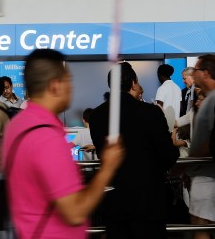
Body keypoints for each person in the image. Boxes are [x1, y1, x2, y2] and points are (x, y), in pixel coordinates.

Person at [2, 48, 124, 239]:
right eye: (69, 81)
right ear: (55, 86)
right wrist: (108, 168)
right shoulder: (47, 137)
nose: (71, 88)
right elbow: (75, 212)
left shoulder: (16, 125)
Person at [89, 62, 180, 239]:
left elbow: (102, 154)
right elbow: (168, 155)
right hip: (148, 201)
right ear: (133, 83)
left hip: (114, 202)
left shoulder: (97, 116)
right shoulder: (150, 112)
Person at [186, 54, 215, 239]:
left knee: (200, 226)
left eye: (195, 70)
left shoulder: (212, 100)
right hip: (205, 175)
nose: (193, 74)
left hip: (206, 176)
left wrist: (189, 160)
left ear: (205, 73)